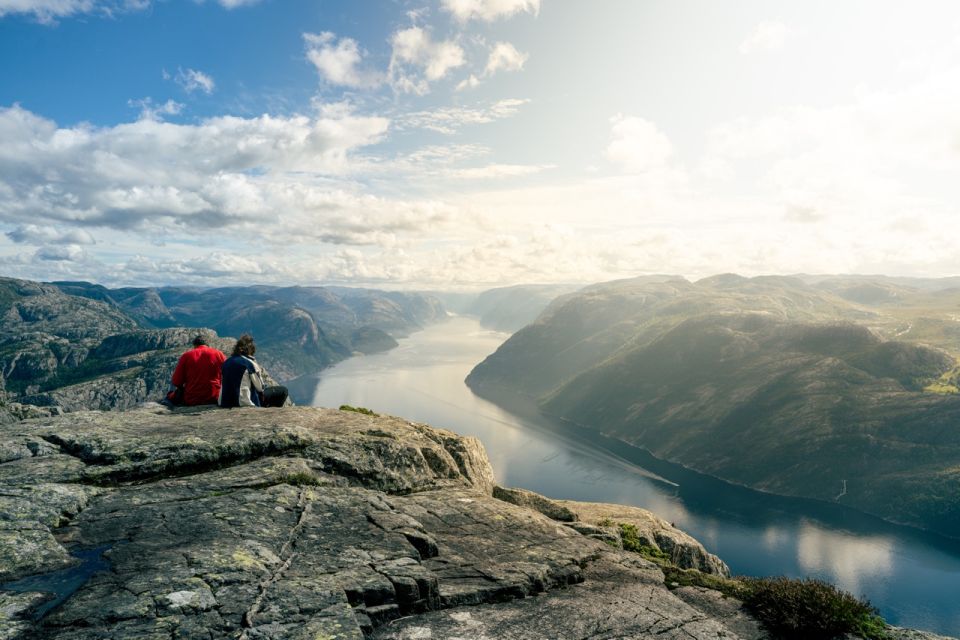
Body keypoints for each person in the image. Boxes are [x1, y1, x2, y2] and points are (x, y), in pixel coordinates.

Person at [218, 334, 289, 408]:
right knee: (283, 391)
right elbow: (260, 388)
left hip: (224, 401)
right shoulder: (249, 364)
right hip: (242, 402)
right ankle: (270, 412)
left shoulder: (227, 362)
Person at [166, 334, 226, 406]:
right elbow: (227, 375)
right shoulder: (219, 354)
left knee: (171, 389)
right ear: (208, 345)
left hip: (192, 399)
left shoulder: (186, 356)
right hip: (214, 398)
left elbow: (176, 382)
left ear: (195, 345)